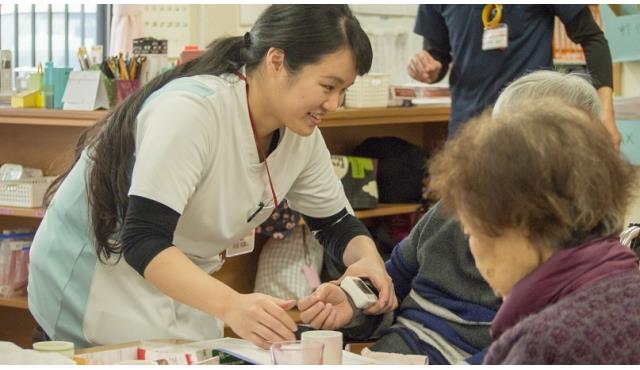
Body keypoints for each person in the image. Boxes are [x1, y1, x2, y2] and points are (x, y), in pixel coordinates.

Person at [27, 5, 396, 349]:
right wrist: (233, 305)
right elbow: (142, 239)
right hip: (99, 277)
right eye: (328, 87)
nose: (334, 104)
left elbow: (336, 224)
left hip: (182, 279)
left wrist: (367, 263)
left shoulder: (300, 135)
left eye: (343, 91)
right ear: (277, 61)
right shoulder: (192, 113)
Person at [297, 71, 614, 364]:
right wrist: (352, 303)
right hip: (398, 351)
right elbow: (388, 285)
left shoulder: (576, 261)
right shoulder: (450, 211)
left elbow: (524, 349)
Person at [428, 100, 640, 364]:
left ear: (521, 224)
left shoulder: (541, 347)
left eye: (470, 232)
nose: (472, 250)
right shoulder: (628, 286)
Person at [407, 5, 621, 150]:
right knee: (466, 214)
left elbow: (593, 39)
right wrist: (430, 68)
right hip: (467, 130)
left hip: (531, 130)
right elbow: (438, 54)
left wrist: (606, 115)